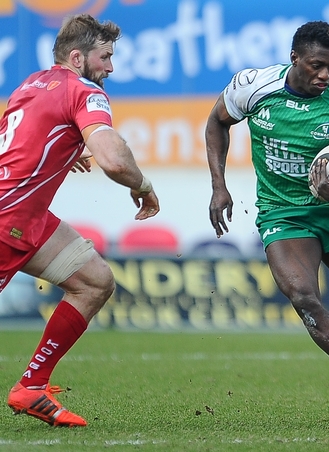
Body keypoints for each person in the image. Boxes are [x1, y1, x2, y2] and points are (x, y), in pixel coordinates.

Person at [204, 21, 329, 428]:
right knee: (302, 295)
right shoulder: (254, 87)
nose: (325, 75)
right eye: (317, 65)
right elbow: (216, 122)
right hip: (282, 213)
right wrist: (219, 186)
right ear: (294, 58)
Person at [2, 14, 160, 427]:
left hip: (27, 217)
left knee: (94, 281)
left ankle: (32, 385)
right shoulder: (85, 91)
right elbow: (114, 159)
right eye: (105, 57)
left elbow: (19, 144)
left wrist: (68, 148)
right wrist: (142, 185)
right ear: (77, 58)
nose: (111, 67)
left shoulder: (32, 84)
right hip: (8, 219)